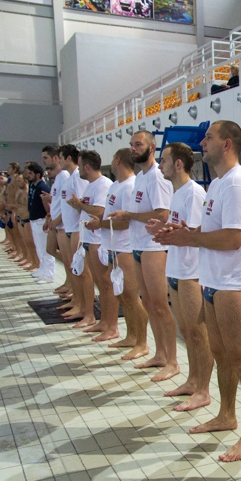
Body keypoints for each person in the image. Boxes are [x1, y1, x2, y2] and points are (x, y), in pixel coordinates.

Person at [155, 121, 241, 461]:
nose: (203, 142)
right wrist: (186, 231)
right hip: (214, 281)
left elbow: (234, 238)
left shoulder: (238, 184)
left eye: (209, 137)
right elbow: (212, 230)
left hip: (236, 283)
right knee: (221, 353)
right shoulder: (217, 184)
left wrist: (191, 238)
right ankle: (227, 415)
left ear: (227, 144)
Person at [146, 142, 211, 411]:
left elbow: (196, 233)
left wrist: (169, 233)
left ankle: (204, 389)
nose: (159, 165)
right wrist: (163, 228)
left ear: (179, 164)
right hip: (175, 268)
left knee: (198, 333)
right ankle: (192, 380)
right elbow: (180, 228)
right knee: (186, 331)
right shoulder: (177, 193)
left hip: (191, 271)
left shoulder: (194, 193)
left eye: (164, 160)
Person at [109, 131, 177, 382]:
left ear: (152, 146)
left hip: (153, 247)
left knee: (160, 305)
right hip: (138, 245)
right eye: (132, 145)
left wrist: (128, 215)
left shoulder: (157, 177)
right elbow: (140, 211)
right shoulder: (140, 177)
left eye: (138, 144)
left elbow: (162, 214)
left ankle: (172, 360)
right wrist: (126, 216)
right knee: (148, 303)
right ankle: (159, 353)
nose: (134, 149)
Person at [90, 149, 149, 358]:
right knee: (122, 295)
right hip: (112, 246)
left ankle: (142, 342)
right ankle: (131, 335)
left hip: (125, 247)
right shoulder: (115, 185)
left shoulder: (130, 186)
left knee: (132, 297)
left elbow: (124, 222)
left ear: (117, 160)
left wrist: (99, 224)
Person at [68, 150, 117, 340]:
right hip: (89, 239)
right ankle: (104, 321)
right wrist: (79, 204)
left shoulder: (103, 185)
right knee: (100, 284)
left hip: (98, 240)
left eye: (79, 166)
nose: (78, 169)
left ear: (87, 167)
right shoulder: (90, 185)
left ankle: (112, 325)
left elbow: (99, 211)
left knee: (106, 284)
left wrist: (79, 205)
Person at [59, 145, 91, 322]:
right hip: (71, 228)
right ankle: (78, 302)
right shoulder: (71, 177)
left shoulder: (78, 177)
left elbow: (82, 205)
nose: (59, 161)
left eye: (61, 157)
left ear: (69, 158)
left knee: (82, 272)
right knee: (76, 270)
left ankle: (86, 310)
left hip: (78, 229)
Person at [42, 145, 73, 297]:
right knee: (51, 249)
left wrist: (58, 218)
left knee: (70, 260)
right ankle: (70, 281)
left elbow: (68, 202)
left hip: (64, 224)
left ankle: (73, 284)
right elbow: (58, 201)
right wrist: (50, 216)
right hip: (57, 222)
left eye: (45, 158)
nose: (44, 161)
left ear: (56, 158)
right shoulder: (59, 178)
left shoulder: (66, 176)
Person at [23, 161, 54, 283]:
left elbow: (47, 205)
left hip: (42, 220)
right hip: (34, 220)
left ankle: (49, 275)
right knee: (39, 248)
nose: (28, 175)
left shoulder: (42, 187)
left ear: (37, 174)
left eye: (30, 173)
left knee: (45, 249)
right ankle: (43, 269)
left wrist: (48, 218)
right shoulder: (33, 186)